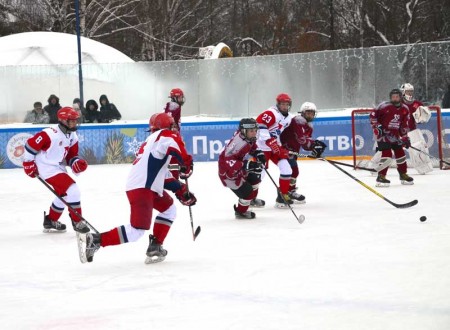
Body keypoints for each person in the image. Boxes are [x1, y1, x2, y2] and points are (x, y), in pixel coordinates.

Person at [83, 112, 196, 264]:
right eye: (172, 126)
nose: (174, 130)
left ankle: (155, 245)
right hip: (142, 189)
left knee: (169, 209)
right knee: (136, 231)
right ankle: (96, 240)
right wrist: (186, 163)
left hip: (146, 187)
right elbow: (174, 143)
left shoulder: (151, 142)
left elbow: (161, 174)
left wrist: (179, 189)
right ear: (166, 127)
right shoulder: (164, 135)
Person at [22, 107, 90, 233]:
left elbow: (71, 155)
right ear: (63, 121)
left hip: (58, 167)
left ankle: (51, 220)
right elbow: (30, 145)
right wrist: (28, 163)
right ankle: (78, 222)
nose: (75, 123)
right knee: (73, 190)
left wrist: (76, 163)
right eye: (72, 121)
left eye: (76, 120)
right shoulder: (49, 133)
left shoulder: (72, 135)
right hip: (46, 168)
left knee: (63, 194)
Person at [219, 118, 266, 219]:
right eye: (251, 131)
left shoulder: (245, 136)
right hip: (229, 174)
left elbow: (251, 145)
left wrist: (258, 152)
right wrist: (247, 165)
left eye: (255, 130)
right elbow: (228, 161)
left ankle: (251, 200)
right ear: (244, 131)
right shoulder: (237, 144)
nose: (254, 133)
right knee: (247, 193)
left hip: (238, 168)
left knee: (255, 179)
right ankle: (241, 212)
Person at [280, 102, 327, 203]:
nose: (310, 115)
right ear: (302, 113)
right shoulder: (296, 121)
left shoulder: (309, 126)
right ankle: (283, 195)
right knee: (291, 171)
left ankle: (289, 192)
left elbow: (305, 145)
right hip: (285, 149)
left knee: (293, 172)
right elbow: (301, 138)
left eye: (312, 113)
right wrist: (314, 143)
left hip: (293, 151)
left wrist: (314, 148)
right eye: (308, 113)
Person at [256, 93, 293, 208]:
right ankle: (250, 198)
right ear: (278, 104)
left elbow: (282, 134)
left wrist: (282, 147)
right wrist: (272, 144)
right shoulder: (271, 113)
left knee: (287, 169)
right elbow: (260, 125)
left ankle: (282, 197)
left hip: (274, 147)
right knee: (259, 174)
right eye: (282, 104)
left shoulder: (289, 118)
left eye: (287, 104)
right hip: (262, 147)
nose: (284, 106)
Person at [370, 89, 413, 187]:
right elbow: (373, 116)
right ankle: (381, 176)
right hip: (383, 135)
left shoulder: (405, 109)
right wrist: (377, 127)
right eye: (393, 97)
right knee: (387, 154)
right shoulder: (383, 106)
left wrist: (405, 137)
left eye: (397, 96)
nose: (394, 98)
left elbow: (404, 125)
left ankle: (403, 174)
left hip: (395, 135)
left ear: (400, 97)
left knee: (400, 153)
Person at [400, 83, 433, 174]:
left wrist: (423, 117)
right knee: (387, 149)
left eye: (411, 91)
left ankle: (424, 168)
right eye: (408, 91)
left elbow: (421, 118)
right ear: (403, 92)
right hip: (398, 132)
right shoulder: (398, 103)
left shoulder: (417, 104)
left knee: (420, 148)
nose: (410, 93)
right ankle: (375, 166)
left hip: (412, 130)